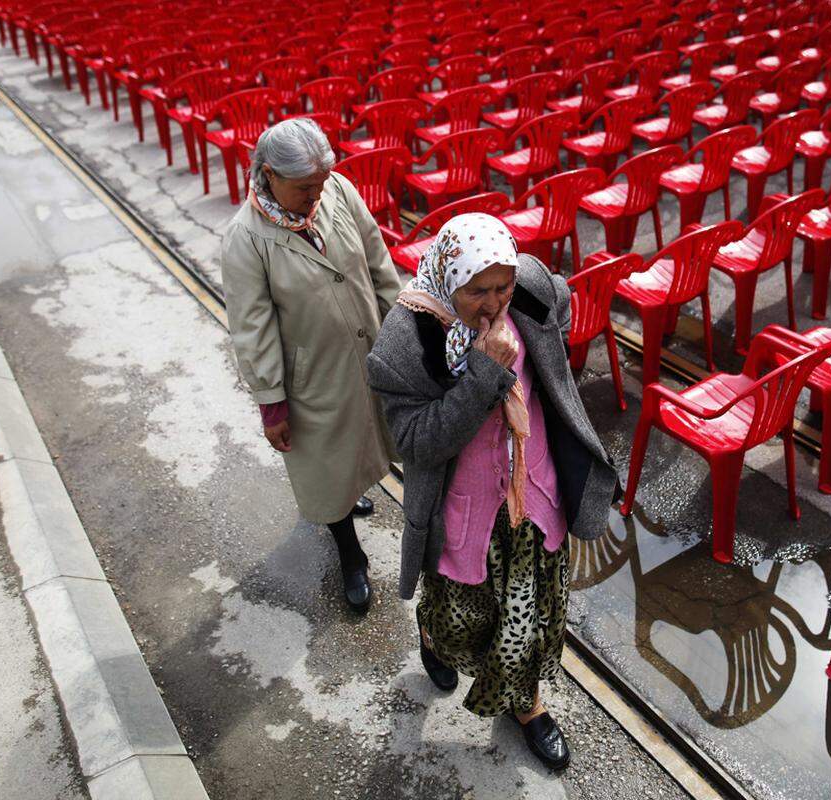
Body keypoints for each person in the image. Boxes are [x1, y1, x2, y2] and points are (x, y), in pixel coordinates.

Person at [366, 214, 617, 769]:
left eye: (500, 288)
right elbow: (417, 442)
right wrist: (483, 372)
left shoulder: (529, 286)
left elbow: (562, 303)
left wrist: (547, 347)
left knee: (531, 615)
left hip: (535, 493)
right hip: (465, 512)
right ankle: (433, 635)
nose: (494, 302)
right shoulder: (405, 342)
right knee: (463, 623)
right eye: (477, 290)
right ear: (446, 276)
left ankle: (528, 705)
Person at [220, 118, 401, 612]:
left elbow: (378, 261)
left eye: (321, 183)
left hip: (368, 347)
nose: (315, 195)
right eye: (304, 188)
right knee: (326, 465)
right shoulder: (246, 238)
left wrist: (406, 325)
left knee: (368, 438)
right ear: (269, 174)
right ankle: (350, 554)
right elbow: (251, 328)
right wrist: (271, 403)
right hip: (312, 375)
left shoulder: (337, 189)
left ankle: (353, 494)